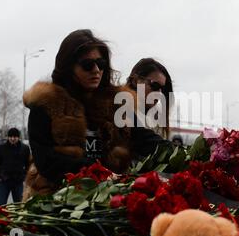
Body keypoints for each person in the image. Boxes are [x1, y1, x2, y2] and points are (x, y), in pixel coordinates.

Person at [22, 29, 167, 200]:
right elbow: (46, 161)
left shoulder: (117, 104)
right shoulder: (46, 103)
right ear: (68, 67)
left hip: (107, 204)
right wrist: (96, 171)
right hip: (56, 205)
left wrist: (189, 154)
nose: (96, 70)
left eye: (101, 63)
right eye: (87, 65)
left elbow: (145, 139)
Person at [126, 58, 174, 139]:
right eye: (154, 86)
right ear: (135, 81)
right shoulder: (116, 111)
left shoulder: (159, 122)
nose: (159, 93)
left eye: (162, 89)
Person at [0, 128, 30, 206]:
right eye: (10, 137)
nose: (13, 139)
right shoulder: (1, 148)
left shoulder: (25, 148)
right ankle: (1, 218)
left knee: (19, 204)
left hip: (18, 181)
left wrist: (25, 176)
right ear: (8, 137)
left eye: (15, 137)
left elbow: (28, 164)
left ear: (18, 137)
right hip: (4, 180)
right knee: (1, 204)